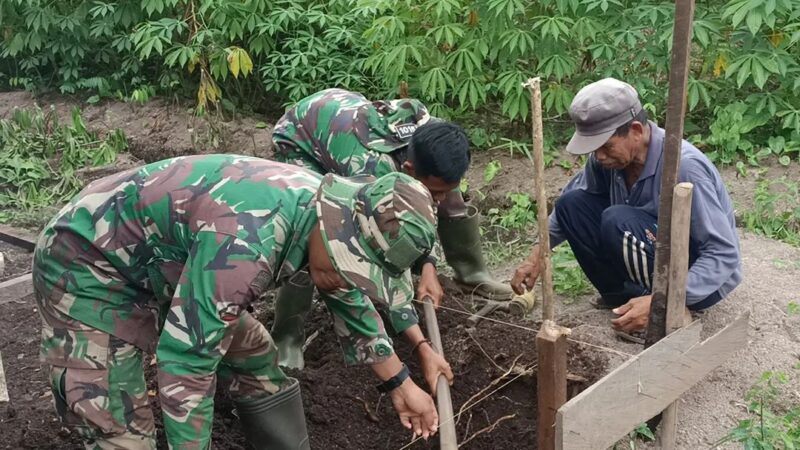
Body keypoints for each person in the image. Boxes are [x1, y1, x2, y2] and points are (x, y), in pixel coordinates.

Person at [34, 154, 453, 449]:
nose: (348, 280)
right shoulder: (248, 245)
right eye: (351, 266)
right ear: (337, 231)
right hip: (87, 263)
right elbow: (185, 364)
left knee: (253, 353)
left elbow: (342, 287)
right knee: (120, 426)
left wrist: (400, 382)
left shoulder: (331, 213)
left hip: (167, 261)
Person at [270, 88, 512, 368]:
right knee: (311, 236)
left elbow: (423, 205)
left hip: (347, 113)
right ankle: (286, 339)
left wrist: (429, 266)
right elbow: (370, 228)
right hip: (301, 136)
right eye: (434, 192)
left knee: (446, 193)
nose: (438, 198)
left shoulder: (434, 134)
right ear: (408, 170)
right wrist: (410, 321)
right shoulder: (370, 168)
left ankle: (470, 273)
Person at [511, 78, 742, 333]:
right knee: (570, 204)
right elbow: (573, 206)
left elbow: (723, 252)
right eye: (594, 148)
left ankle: (659, 312)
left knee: (617, 219)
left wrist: (663, 300)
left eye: (606, 146)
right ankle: (623, 300)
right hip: (646, 245)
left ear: (636, 130)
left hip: (694, 275)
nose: (599, 156)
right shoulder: (605, 161)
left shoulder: (684, 167)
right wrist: (537, 256)